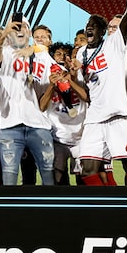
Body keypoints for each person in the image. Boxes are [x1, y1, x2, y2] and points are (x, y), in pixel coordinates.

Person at [73, 0, 127, 186]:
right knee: (87, 169)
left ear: (103, 31)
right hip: (95, 117)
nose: (89, 29)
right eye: (87, 26)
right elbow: (85, 86)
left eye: (94, 26)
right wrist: (71, 70)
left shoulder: (114, 44)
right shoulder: (82, 52)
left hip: (118, 115)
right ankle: (103, 209)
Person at [0, 15, 55, 186]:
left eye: (23, 27)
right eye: (15, 28)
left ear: (30, 31)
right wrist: (3, 34)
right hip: (10, 126)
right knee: (9, 180)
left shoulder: (42, 56)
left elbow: (60, 74)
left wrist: (36, 49)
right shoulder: (5, 53)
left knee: (48, 178)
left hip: (39, 125)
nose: (19, 31)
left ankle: (51, 212)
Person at [40, 42, 87, 185]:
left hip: (81, 138)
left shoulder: (79, 76)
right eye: (58, 54)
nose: (62, 57)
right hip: (58, 138)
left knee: (84, 180)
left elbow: (86, 97)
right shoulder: (47, 77)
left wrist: (70, 80)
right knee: (57, 178)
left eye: (65, 54)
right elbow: (42, 107)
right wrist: (52, 86)